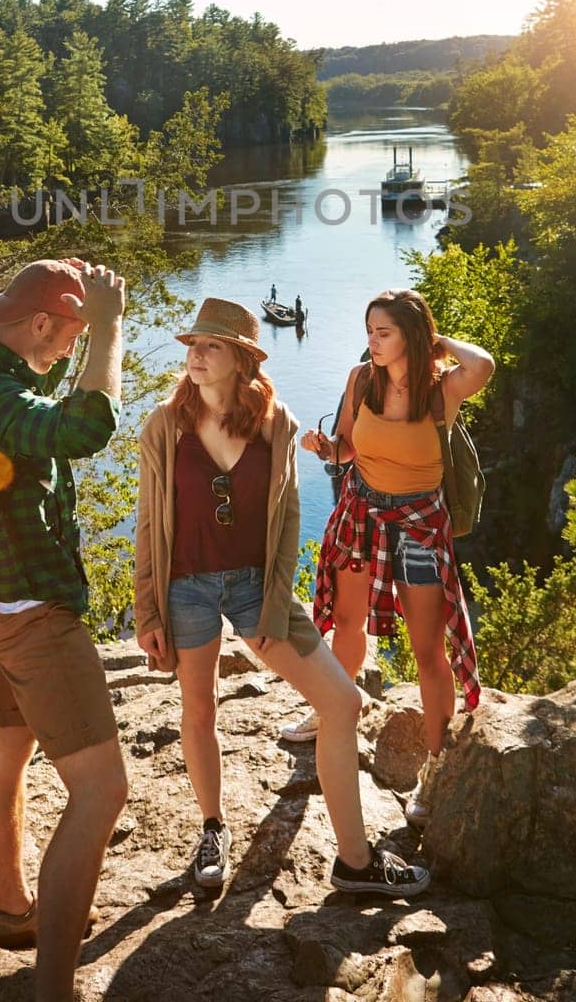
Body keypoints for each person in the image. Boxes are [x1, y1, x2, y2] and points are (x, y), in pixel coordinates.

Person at [135, 297, 431, 898]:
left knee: (343, 704)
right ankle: (212, 830)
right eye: (191, 344)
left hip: (253, 586)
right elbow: (147, 523)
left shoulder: (275, 422)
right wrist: (148, 611)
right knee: (199, 711)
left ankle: (354, 863)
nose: (194, 355)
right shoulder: (164, 424)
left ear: (241, 358)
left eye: (210, 345)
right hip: (184, 585)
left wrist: (272, 605)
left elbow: (288, 521)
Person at [0, 258, 127, 1002]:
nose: (60, 356)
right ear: (42, 323)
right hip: (30, 617)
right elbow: (83, 427)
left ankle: (11, 911)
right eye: (63, 337)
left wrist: (86, 339)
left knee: (9, 751)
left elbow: (48, 399)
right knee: (101, 791)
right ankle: (55, 988)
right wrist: (108, 326)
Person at [288, 289, 493, 829]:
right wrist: (323, 449)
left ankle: (435, 763)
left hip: (419, 524)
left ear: (412, 337)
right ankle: (328, 710)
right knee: (349, 624)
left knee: (429, 650)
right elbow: (348, 449)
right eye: (370, 332)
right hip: (362, 510)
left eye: (385, 333)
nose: (372, 343)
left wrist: (435, 341)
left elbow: (484, 364)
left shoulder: (441, 390)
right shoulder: (361, 380)